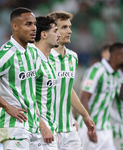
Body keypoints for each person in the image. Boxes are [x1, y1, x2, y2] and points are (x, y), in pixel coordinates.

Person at [0, 7, 43, 150]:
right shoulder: (7, 53)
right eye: (28, 24)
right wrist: (7, 106)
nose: (34, 28)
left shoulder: (33, 51)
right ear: (15, 26)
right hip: (14, 127)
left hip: (33, 125)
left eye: (34, 24)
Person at [48, 11, 95, 150]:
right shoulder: (40, 57)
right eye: (64, 27)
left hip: (69, 127)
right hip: (47, 128)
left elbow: (67, 89)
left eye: (69, 26)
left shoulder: (72, 57)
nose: (70, 31)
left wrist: (85, 116)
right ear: (53, 31)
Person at [77, 42, 123, 150]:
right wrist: (90, 127)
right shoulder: (97, 70)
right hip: (90, 127)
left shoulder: (117, 74)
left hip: (106, 128)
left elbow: (121, 97)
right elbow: (83, 98)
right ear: (116, 56)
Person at [30, 15, 61, 149]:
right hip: (37, 133)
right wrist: (43, 127)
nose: (59, 34)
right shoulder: (31, 60)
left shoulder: (49, 61)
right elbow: (25, 97)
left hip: (50, 131)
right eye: (55, 31)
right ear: (43, 34)